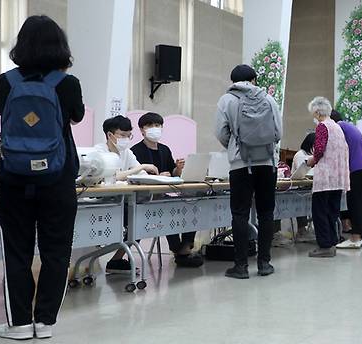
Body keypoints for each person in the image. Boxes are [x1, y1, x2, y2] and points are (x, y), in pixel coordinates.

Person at [0, 15, 84, 340]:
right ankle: (44, 322)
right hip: (57, 178)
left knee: (16, 252)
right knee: (56, 252)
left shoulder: (6, 81)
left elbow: (7, 117)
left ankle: (18, 325)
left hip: (12, 179)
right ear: (60, 46)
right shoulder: (67, 83)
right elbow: (76, 116)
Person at [215, 64, 282, 279]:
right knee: (266, 212)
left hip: (241, 164)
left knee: (240, 213)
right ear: (254, 79)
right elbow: (278, 132)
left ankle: (241, 266)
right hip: (267, 163)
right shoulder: (269, 99)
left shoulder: (226, 100)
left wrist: (235, 146)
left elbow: (220, 132)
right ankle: (264, 263)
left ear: (232, 80)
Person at [130, 112, 203, 267]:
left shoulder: (164, 149)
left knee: (191, 204)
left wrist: (178, 169)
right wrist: (157, 176)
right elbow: (135, 177)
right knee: (169, 208)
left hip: (162, 196)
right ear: (142, 130)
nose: (154, 128)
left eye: (157, 125)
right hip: (144, 199)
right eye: (150, 126)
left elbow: (173, 174)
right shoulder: (135, 151)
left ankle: (186, 245)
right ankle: (178, 249)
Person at [95, 116, 159, 274]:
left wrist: (148, 175)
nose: (125, 139)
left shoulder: (127, 153)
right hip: (100, 202)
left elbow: (141, 173)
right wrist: (141, 168)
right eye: (122, 135)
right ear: (110, 135)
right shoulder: (98, 151)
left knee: (138, 217)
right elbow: (112, 176)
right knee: (135, 218)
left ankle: (116, 260)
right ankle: (112, 259)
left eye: (128, 135)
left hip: (121, 200)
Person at [306, 97, 349, 257]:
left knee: (319, 211)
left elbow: (319, 149)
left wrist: (311, 160)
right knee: (332, 211)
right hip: (338, 176)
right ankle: (332, 241)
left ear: (317, 112)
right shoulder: (337, 127)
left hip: (325, 177)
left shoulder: (323, 126)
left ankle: (324, 246)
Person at [330, 111, 362, 247]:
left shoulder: (339, 128)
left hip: (355, 169)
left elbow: (338, 150)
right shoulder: (350, 127)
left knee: (354, 204)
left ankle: (355, 238)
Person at [291, 133, 317, 242]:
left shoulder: (312, 155)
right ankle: (301, 230)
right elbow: (304, 172)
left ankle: (308, 229)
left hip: (309, 187)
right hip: (297, 189)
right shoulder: (300, 154)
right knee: (301, 201)